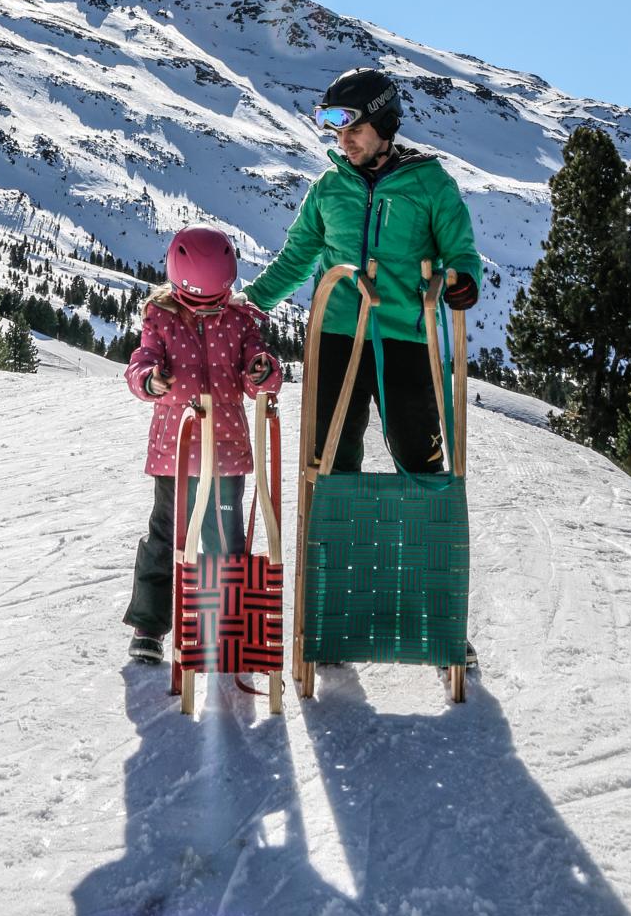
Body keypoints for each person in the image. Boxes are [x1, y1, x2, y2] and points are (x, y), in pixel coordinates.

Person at [244, 67, 481, 478]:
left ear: (385, 122)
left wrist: (463, 278)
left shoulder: (430, 184)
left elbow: (459, 248)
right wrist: (250, 304)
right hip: (334, 335)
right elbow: (296, 258)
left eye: (352, 128)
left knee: (417, 456)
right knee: (330, 457)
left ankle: (424, 537)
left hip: (404, 337)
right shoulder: (329, 187)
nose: (343, 140)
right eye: (336, 131)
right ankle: (335, 539)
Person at [122, 226, 282, 666]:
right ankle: (149, 625)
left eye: (216, 300)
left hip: (226, 453)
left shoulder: (241, 319)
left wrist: (261, 372)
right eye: (198, 301)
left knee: (225, 541)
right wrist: (151, 380)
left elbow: (262, 369)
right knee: (166, 536)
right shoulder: (160, 316)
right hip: (176, 450)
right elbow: (141, 363)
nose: (209, 310)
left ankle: (224, 624)